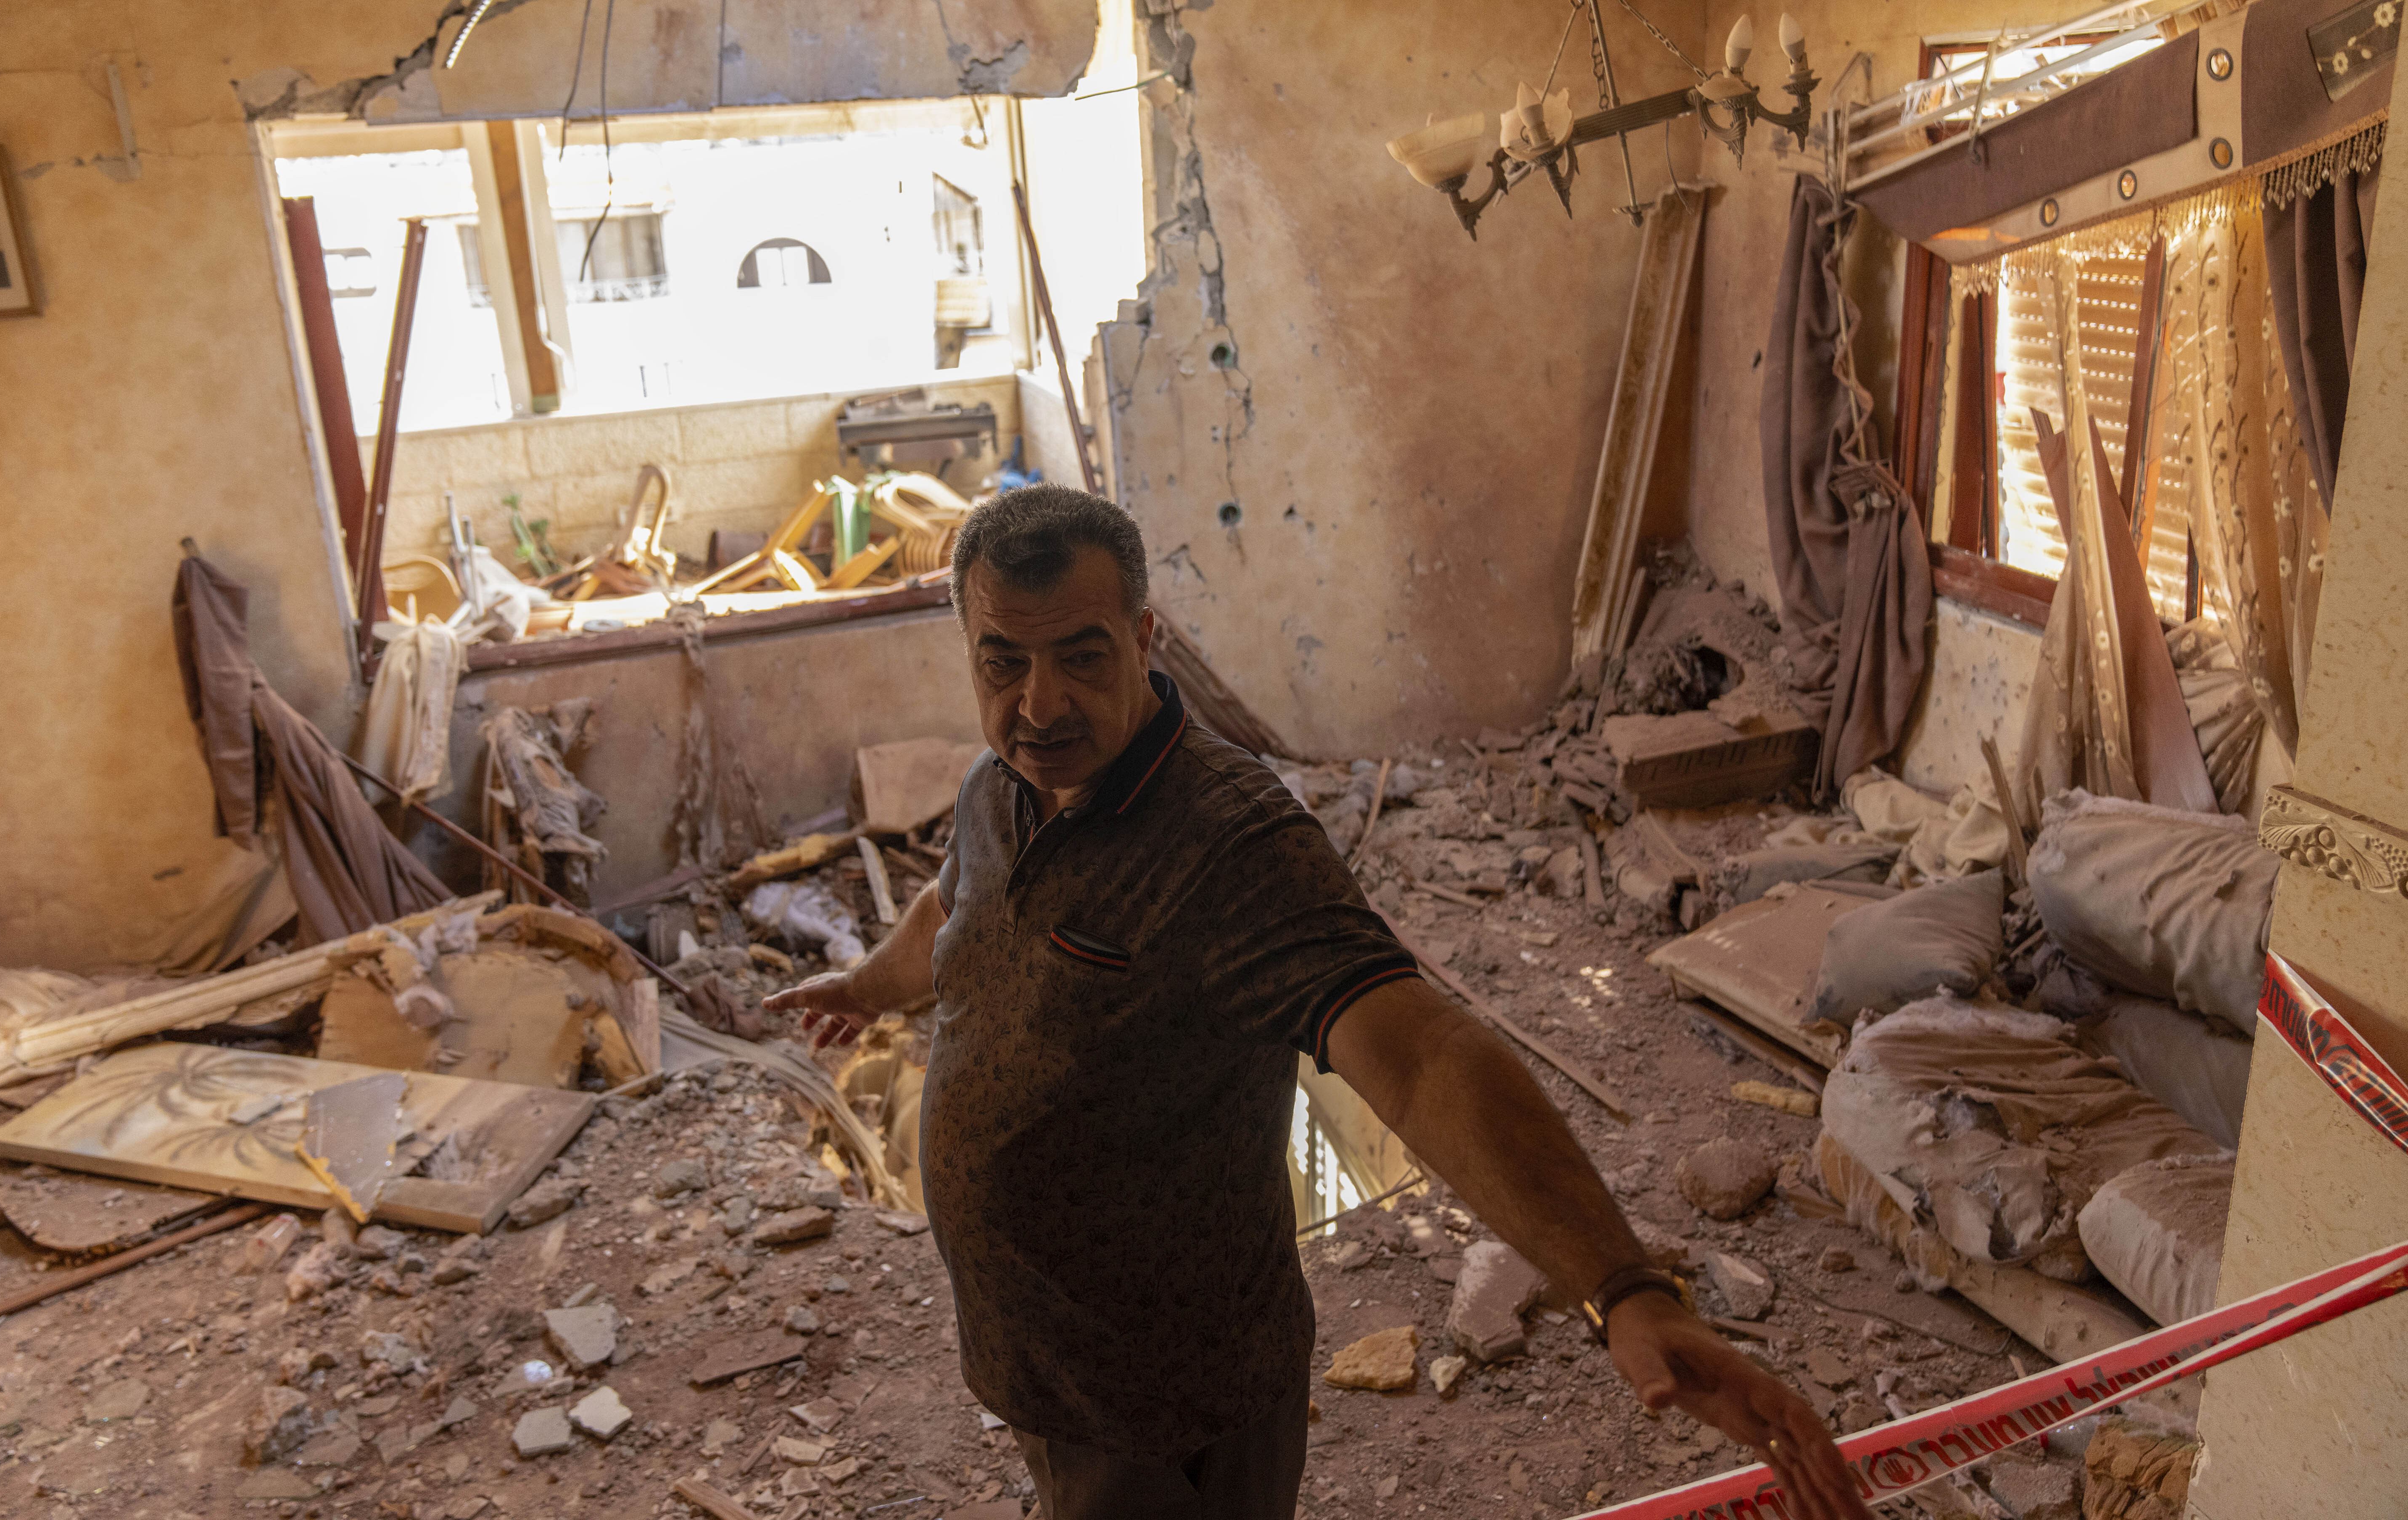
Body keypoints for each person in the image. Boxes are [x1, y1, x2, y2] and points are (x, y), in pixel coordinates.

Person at [768, 485, 1869, 1520]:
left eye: (1079, 658)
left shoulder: (1232, 841)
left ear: (1146, 644)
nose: (1038, 703)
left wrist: (1623, 1287)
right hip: (1042, 1365)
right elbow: (955, 914)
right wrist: (868, 987)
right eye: (1001, 662)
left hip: (1169, 1400)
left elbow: (1422, 1052)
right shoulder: (996, 789)